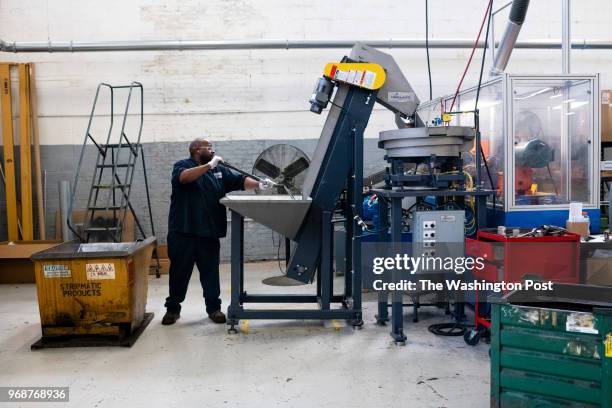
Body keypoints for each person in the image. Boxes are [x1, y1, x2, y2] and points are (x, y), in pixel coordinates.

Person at [162, 138, 272, 325]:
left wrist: (259, 184)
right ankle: (173, 310)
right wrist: (209, 166)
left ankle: (214, 309)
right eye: (208, 147)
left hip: (208, 233)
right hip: (183, 232)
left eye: (212, 148)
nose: (212, 150)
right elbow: (184, 178)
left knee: (210, 273)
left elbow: (239, 180)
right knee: (179, 273)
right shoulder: (182, 165)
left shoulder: (219, 171)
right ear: (197, 150)